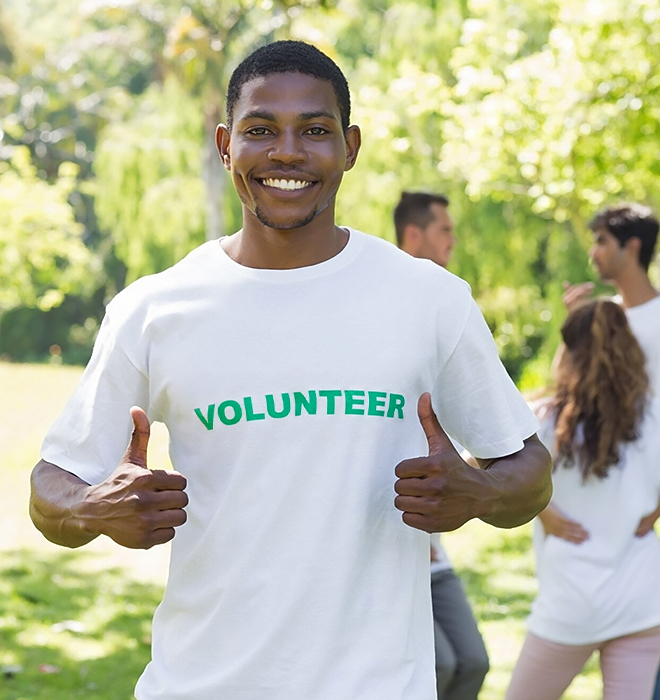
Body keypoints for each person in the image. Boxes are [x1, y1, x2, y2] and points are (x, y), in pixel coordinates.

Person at [29, 40, 551, 700]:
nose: (287, 152)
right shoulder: (155, 308)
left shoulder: (430, 300)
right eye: (259, 130)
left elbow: (530, 469)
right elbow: (49, 489)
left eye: (315, 130)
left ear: (350, 147)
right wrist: (94, 508)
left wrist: (482, 493)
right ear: (225, 146)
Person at [505, 299, 660, 700]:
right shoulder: (652, 414)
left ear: (569, 353)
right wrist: (653, 510)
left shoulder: (545, 419)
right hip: (642, 599)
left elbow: (487, 469)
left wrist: (542, 508)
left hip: (573, 601)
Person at [394, 190, 489, 700]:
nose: (454, 240)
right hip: (390, 535)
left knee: (471, 661)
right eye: (445, 230)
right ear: (414, 235)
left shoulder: (447, 308)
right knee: (441, 666)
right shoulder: (381, 309)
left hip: (432, 538)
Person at [563, 203, 660, 395]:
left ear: (632, 247)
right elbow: (564, 381)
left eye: (602, 241)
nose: (593, 253)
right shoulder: (601, 317)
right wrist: (574, 324)